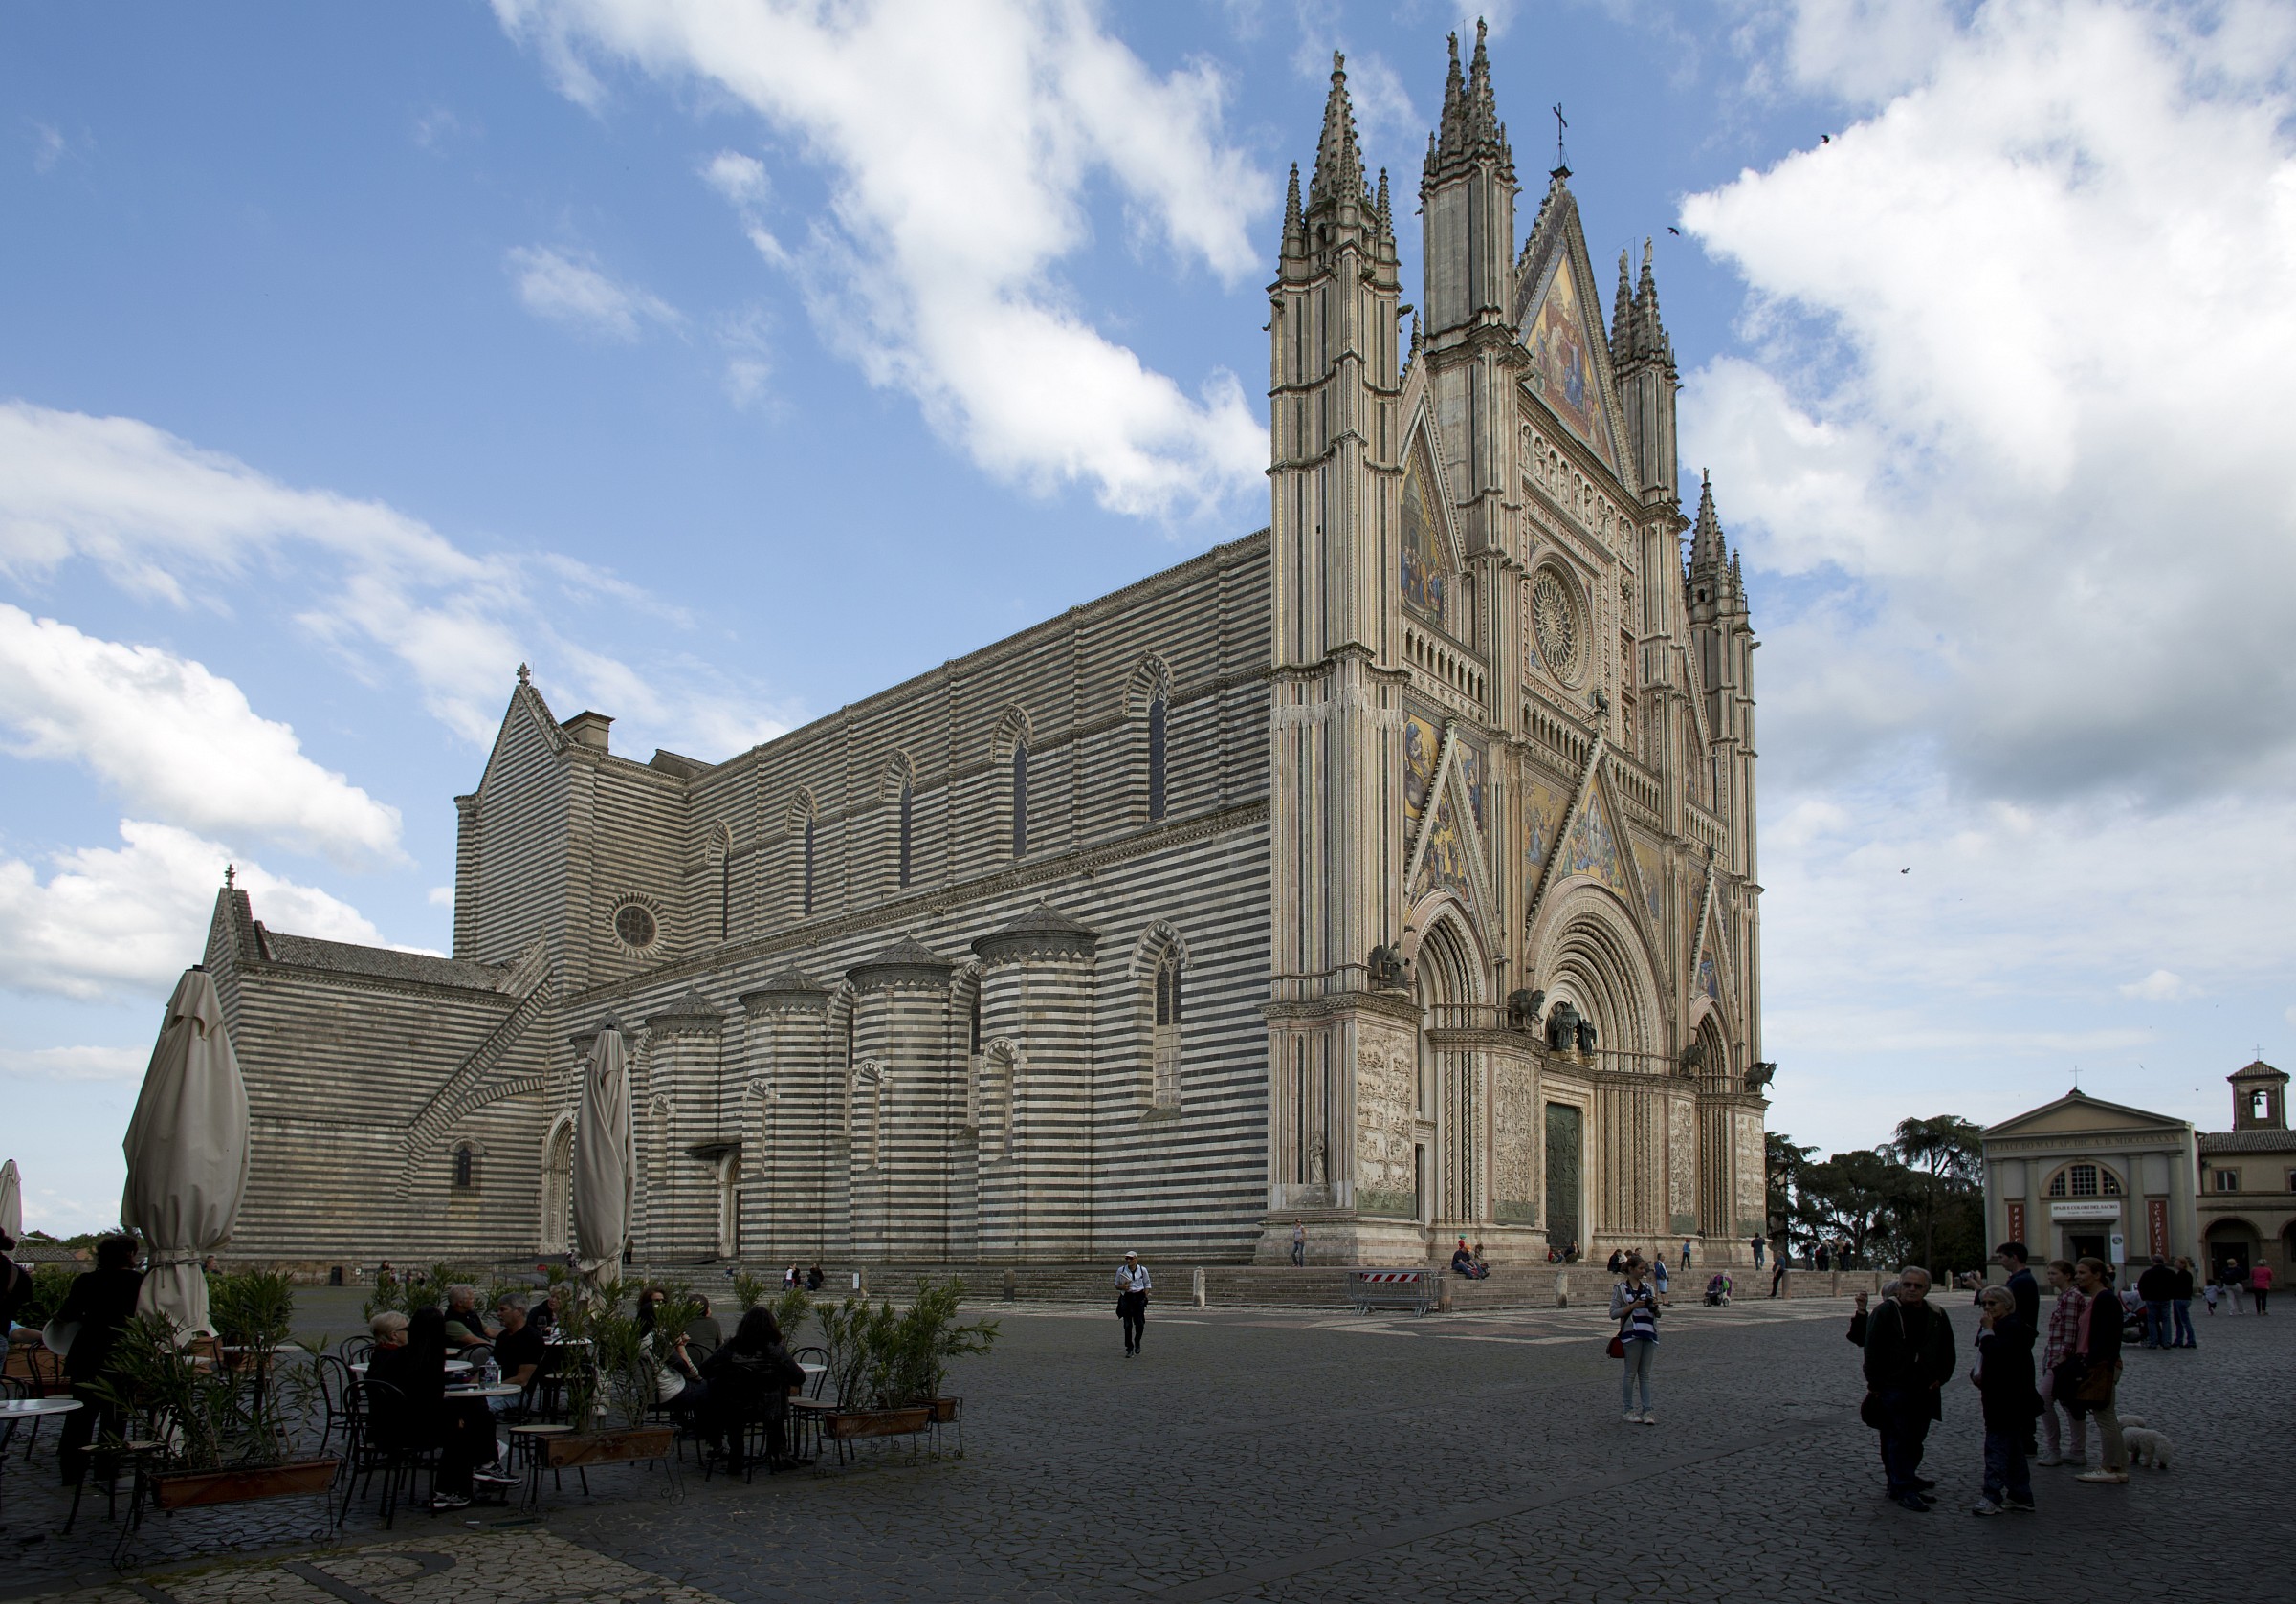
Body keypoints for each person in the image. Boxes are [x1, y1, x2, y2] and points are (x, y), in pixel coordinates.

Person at [367, 1307, 513, 1509]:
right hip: (403, 1429)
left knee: (476, 1414)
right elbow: (424, 1403)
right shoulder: (422, 1360)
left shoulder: (397, 1356)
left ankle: (480, 1469)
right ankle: (455, 1486)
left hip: (387, 1424)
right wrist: (452, 1417)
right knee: (466, 1425)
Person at [1860, 1266, 1956, 1511]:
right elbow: (1871, 1349)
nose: (1912, 1289)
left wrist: (1941, 1378)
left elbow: (1948, 1349)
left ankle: (1904, 1479)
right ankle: (1903, 1486)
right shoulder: (1886, 1311)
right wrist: (1875, 1383)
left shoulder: (1936, 1314)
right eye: (1907, 1285)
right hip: (1894, 1385)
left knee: (1916, 1438)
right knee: (1898, 1438)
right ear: (1900, 1285)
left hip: (1925, 1387)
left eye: (1918, 1286)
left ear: (1926, 1289)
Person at [52, 1233, 144, 1487]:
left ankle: (72, 1471)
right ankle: (107, 1469)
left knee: (80, 1415)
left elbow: (66, 1314)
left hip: (88, 1351)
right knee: (115, 1417)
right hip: (123, 1353)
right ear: (130, 1255)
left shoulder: (87, 1281)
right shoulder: (140, 1283)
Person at [699, 1305, 807, 1472]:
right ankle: (779, 1452)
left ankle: (736, 1455)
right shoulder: (776, 1350)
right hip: (767, 1410)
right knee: (776, 1393)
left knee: (736, 1409)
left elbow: (705, 1370)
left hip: (733, 1407)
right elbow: (798, 1377)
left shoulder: (730, 1348)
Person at [1969, 1285, 2041, 1515]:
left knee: (1997, 1447)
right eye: (1984, 1304)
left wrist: (1988, 1331)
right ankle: (2020, 1494)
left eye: (1993, 1303)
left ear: (2007, 1305)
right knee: (2013, 1448)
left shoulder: (2011, 1327)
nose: (1987, 1308)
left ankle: (1992, 1495)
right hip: (2001, 1395)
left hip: (2006, 1397)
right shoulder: (2004, 1325)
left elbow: (1997, 1354)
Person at [2065, 1257, 2129, 1484]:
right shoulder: (2097, 1299)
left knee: (2105, 1418)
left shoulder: (2105, 1300)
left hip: (2102, 1365)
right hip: (2101, 1363)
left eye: (2082, 1273)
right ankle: (2118, 1465)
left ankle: (2110, 1467)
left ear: (2097, 1275)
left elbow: (2107, 1337)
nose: (2078, 1277)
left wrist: (2094, 1364)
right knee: (2107, 1416)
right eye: (2077, 1272)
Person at [2035, 1259, 2086, 1467]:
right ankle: (2076, 1450)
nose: (2050, 1277)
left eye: (2054, 1273)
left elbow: (2071, 1330)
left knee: (2044, 1400)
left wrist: (2060, 1358)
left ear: (2067, 1275)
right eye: (2049, 1274)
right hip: (2058, 1357)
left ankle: (2056, 1449)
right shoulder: (2065, 1296)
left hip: (2062, 1360)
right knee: (2069, 1403)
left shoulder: (2071, 1298)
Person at [1610, 1254, 1661, 1424]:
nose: (1643, 1271)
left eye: (1644, 1268)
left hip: (1649, 1333)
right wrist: (1632, 1306)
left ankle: (1648, 1411)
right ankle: (1628, 1410)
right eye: (1640, 1268)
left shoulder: (1649, 1288)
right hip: (1631, 1335)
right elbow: (1613, 1313)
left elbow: (1657, 1314)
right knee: (1630, 1374)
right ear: (1631, 1269)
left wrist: (1656, 1309)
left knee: (1645, 1375)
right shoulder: (1621, 1289)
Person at [490, 1295, 546, 1395]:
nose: (498, 1314)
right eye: (497, 1310)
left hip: (515, 1394)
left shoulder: (531, 1338)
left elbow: (522, 1380)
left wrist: (492, 1389)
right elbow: (489, 1367)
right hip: (496, 1389)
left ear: (519, 1311)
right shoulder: (503, 1336)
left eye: (503, 1310)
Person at [1993, 1241, 2040, 1335]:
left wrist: (1978, 1288)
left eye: (2001, 1257)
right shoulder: (2020, 1278)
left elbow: (2002, 1302)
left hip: (2016, 1333)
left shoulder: (2021, 1281)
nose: (1999, 1261)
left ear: (2014, 1258)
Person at [2133, 1255, 2175, 1349]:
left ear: (2154, 1262)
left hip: (2151, 1299)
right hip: (2165, 1299)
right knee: (2166, 1320)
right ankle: (2167, 1342)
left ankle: (2154, 1342)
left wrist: (2144, 1297)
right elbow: (2174, 1285)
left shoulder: (2147, 1273)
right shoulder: (2170, 1273)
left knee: (2152, 1321)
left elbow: (2141, 1285)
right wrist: (2170, 1295)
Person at [1115, 1251, 1151, 1356]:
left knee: (1140, 1324)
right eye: (1127, 1258)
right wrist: (1123, 1287)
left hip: (1139, 1297)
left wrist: (1145, 1295)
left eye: (1131, 1258)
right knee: (1127, 1325)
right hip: (1127, 1297)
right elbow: (1116, 1285)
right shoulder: (1121, 1270)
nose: (1128, 1260)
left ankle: (1137, 1341)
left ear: (1136, 1259)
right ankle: (1129, 1348)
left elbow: (1147, 1284)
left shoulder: (1142, 1270)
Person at [441, 1284, 494, 1351]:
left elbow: (490, 1332)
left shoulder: (471, 1315)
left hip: (481, 1351)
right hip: (466, 1356)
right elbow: (474, 1341)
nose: (473, 1300)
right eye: (471, 1298)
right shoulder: (451, 1322)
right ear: (460, 1303)